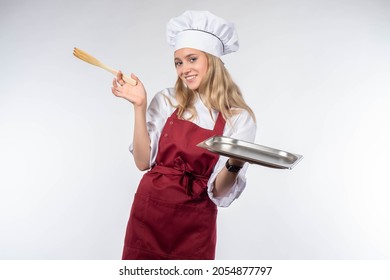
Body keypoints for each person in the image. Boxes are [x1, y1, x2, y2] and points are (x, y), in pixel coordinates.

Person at [111, 10, 257, 260]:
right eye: (178, 62)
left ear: (211, 60)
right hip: (148, 216)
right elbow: (143, 162)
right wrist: (139, 106)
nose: (184, 69)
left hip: (195, 224)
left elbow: (220, 193)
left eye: (192, 59)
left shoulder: (238, 118)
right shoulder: (167, 100)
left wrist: (236, 162)